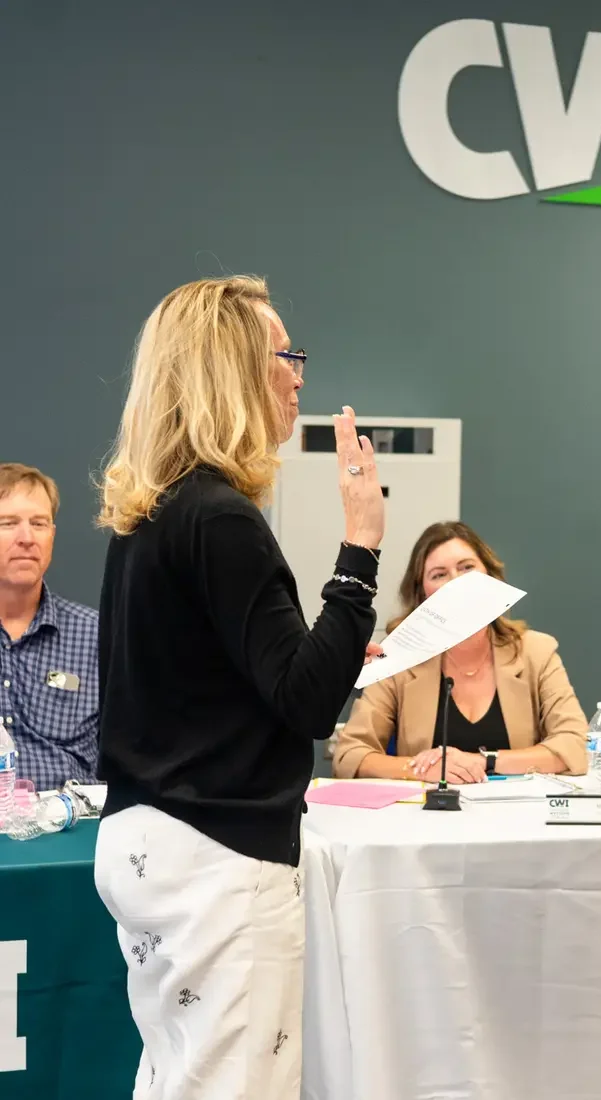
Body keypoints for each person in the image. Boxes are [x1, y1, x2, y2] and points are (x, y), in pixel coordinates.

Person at [92, 275, 386, 1100]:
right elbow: (308, 701)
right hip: (219, 854)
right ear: (233, 371)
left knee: (178, 1077)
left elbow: (227, 676)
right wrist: (359, 548)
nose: (299, 375)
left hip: (151, 840)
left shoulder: (154, 514)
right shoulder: (222, 518)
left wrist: (323, 643)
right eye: (284, 354)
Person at [334, 520, 587, 782]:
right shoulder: (398, 659)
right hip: (426, 817)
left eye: (467, 568)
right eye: (439, 575)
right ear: (422, 595)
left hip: (517, 815)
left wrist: (482, 761)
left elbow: (574, 745)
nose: (456, 583)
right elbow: (349, 755)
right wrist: (421, 769)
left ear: (491, 577)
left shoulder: (536, 651)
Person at [0, 463, 98, 791]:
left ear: (52, 536)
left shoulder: (97, 637)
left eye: (39, 523)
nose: (27, 538)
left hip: (72, 828)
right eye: (8, 523)